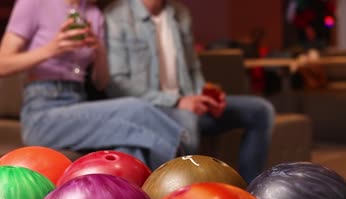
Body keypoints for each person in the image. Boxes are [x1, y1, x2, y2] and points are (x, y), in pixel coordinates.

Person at [0, 0, 186, 170]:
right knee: (137, 109)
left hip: (79, 106)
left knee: (130, 149)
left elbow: (101, 82)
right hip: (41, 113)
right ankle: (184, 167)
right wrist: (52, 49)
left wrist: (99, 51)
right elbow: (3, 64)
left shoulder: (94, 15)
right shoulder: (34, 3)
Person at [104, 0, 275, 183]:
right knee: (187, 124)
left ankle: (250, 191)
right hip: (155, 109)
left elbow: (193, 68)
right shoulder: (116, 16)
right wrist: (177, 101)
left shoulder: (180, 13)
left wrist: (207, 96)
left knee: (261, 110)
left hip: (189, 103)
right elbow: (117, 84)